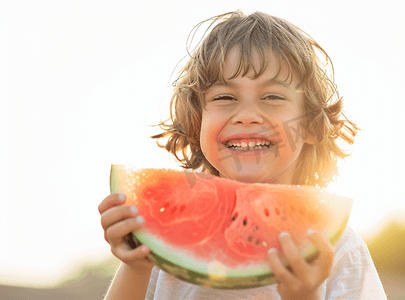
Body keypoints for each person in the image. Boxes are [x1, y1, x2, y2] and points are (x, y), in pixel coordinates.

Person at [98, 10, 387, 300]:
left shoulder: (337, 249)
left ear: (311, 125)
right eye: (225, 97)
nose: (247, 116)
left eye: (272, 97)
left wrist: (305, 295)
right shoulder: (166, 242)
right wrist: (135, 267)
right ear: (197, 122)